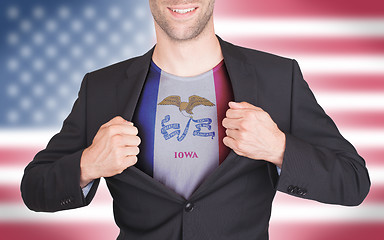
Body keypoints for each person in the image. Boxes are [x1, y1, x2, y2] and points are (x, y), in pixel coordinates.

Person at [21, 0, 370, 239]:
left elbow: (353, 181)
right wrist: (87, 164)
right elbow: (34, 188)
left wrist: (280, 148)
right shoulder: (102, 87)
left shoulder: (279, 78)